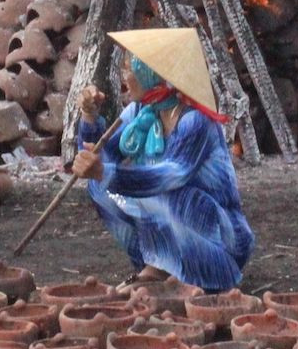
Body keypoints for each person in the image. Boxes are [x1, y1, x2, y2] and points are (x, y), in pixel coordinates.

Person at [70, 28, 255, 291]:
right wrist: (90, 119)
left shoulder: (195, 120)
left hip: (219, 236)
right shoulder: (141, 112)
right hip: (171, 217)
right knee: (100, 188)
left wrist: (105, 171)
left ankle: (197, 276)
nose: (124, 76)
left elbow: (170, 175)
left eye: (129, 68)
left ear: (152, 73)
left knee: (162, 194)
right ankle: (155, 264)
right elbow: (104, 156)